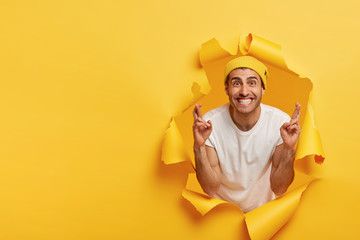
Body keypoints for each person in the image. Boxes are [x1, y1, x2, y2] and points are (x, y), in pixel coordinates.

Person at [192, 56, 301, 213]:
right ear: (227, 89)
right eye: (237, 83)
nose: (244, 91)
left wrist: (289, 149)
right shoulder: (209, 124)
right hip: (221, 217)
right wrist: (199, 147)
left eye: (252, 83)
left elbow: (280, 188)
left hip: (261, 218)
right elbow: (210, 188)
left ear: (262, 88)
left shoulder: (280, 123)